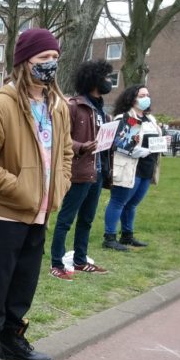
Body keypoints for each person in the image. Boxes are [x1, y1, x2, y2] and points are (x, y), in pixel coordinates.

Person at [0, 28, 72, 360]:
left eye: (55, 58)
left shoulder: (58, 107)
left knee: (23, 281)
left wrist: (60, 184)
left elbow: (66, 153)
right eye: (43, 59)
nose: (51, 65)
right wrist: (20, 189)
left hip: (38, 213)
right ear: (25, 62)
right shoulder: (1, 105)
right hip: (1, 214)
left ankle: (12, 338)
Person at [49, 60, 113, 280]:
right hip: (78, 172)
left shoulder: (101, 110)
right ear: (93, 79)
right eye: (106, 77)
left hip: (96, 172)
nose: (109, 81)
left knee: (87, 219)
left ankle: (80, 260)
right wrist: (81, 147)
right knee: (66, 219)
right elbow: (61, 137)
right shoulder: (74, 106)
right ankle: (56, 263)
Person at [102, 84, 160, 250]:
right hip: (129, 166)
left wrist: (163, 141)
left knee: (133, 203)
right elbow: (119, 143)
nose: (146, 98)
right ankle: (110, 237)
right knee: (119, 201)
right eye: (141, 95)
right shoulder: (124, 118)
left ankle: (127, 235)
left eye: (147, 95)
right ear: (131, 98)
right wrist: (138, 150)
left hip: (147, 168)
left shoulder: (151, 119)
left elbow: (153, 140)